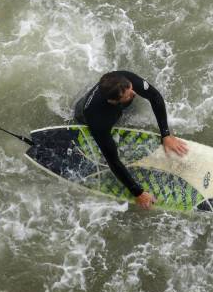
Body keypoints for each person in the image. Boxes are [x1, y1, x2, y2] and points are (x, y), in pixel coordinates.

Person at [74, 71, 188, 209]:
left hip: (116, 105)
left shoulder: (123, 79)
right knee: (106, 148)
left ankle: (123, 106)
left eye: (131, 88)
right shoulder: (98, 120)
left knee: (130, 97)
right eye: (128, 94)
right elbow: (113, 161)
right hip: (86, 117)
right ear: (113, 100)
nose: (134, 94)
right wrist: (138, 193)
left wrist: (166, 134)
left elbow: (155, 96)